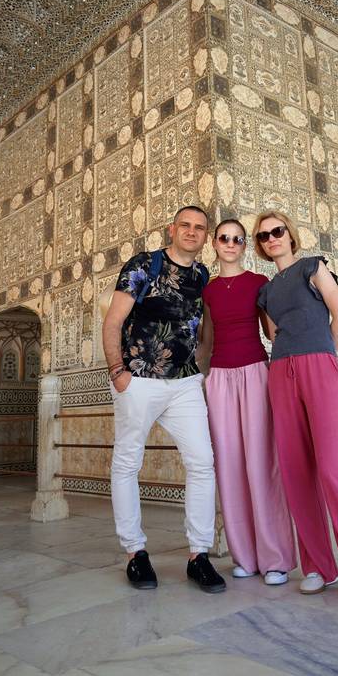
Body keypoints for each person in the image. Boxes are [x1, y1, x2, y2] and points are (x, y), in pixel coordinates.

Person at [253, 210, 338, 608]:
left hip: (319, 365)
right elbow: (273, 334)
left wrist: (326, 354)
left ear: (290, 235)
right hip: (281, 371)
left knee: (332, 470)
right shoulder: (265, 291)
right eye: (263, 236)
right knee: (296, 471)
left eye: (277, 231)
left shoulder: (313, 267)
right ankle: (318, 567)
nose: (271, 238)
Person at [102, 205, 226, 594]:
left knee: (202, 462)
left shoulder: (202, 275)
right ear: (171, 229)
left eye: (200, 228)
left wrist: (201, 367)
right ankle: (135, 553)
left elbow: (202, 326)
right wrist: (118, 373)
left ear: (205, 236)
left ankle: (199, 555)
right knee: (127, 462)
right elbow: (114, 321)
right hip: (139, 379)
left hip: (185, 383)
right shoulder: (143, 265)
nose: (192, 232)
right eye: (185, 225)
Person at [199, 219, 296, 586]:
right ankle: (244, 556)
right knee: (229, 466)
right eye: (223, 238)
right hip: (219, 379)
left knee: (261, 464)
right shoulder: (207, 291)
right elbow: (206, 341)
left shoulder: (259, 283)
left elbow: (273, 331)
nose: (230, 244)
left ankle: (275, 559)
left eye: (237, 239)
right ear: (215, 243)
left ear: (244, 245)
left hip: (256, 373)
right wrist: (201, 379)